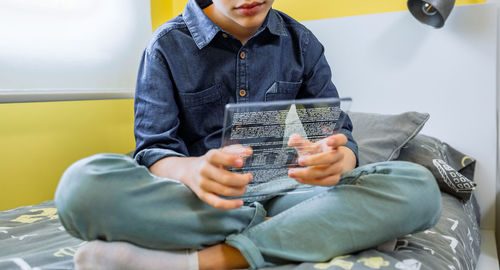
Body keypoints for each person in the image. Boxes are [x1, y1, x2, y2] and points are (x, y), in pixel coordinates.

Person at [54, 0, 442, 269]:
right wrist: (191, 170)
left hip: (293, 195)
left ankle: (207, 260)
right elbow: (155, 150)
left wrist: (339, 160)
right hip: (200, 204)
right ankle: (322, 230)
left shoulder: (303, 44)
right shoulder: (165, 47)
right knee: (81, 188)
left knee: (418, 188)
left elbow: (337, 133)